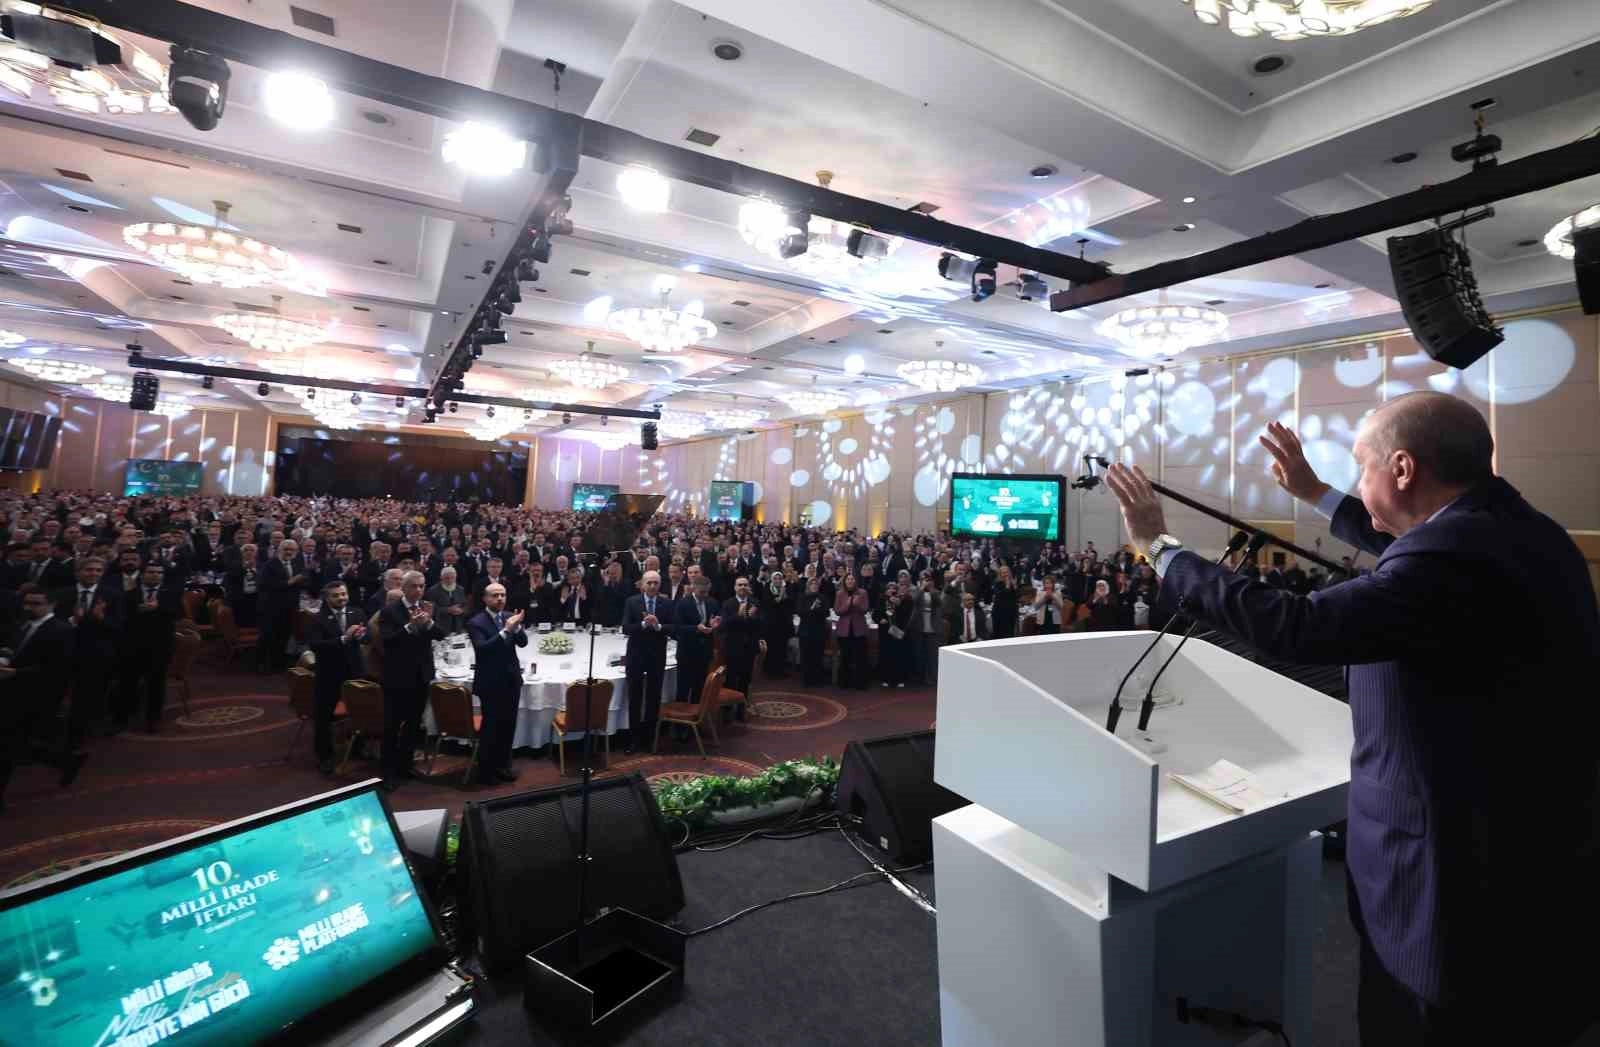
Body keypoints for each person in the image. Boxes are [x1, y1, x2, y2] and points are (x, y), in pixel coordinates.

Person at [1104, 395, 1600, 1046]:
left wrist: (1160, 548)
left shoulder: (1448, 560)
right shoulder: (1524, 531)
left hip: (1447, 889)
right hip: (1532, 861)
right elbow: (1408, 542)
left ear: (1403, 469)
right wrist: (1313, 492)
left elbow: (1296, 625)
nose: (1359, 481)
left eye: (1363, 466)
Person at [0, 585, 82, 809]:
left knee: (7, 747)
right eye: (27, 603)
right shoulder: (22, 623)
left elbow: (57, 669)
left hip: (37, 696)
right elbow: (11, 647)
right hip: (10, 692)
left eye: (36, 604)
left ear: (51, 605)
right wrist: (4, 659)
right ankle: (66, 761)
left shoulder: (62, 630)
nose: (29, 608)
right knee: (15, 745)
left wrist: (16, 672)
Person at [376, 571, 445, 791]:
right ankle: (388, 771)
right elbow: (387, 641)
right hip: (397, 676)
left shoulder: (427, 608)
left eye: (422, 586)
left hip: (421, 675)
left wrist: (429, 622)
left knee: (414, 724)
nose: (418, 590)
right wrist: (409, 626)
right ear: (404, 588)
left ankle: (405, 765)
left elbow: (441, 634)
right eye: (414, 586)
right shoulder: (389, 611)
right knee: (392, 725)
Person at [303, 581, 367, 774]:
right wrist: (343, 639)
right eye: (336, 595)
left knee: (359, 711)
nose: (341, 598)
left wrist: (361, 637)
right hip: (328, 674)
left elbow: (366, 638)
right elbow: (315, 645)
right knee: (323, 718)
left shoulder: (357, 613)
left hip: (354, 671)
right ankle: (324, 757)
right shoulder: (317, 619)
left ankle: (358, 748)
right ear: (327, 597)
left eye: (343, 594)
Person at [467, 582, 527, 785]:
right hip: (490, 682)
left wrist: (516, 628)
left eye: (503, 595)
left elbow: (523, 642)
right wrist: (506, 631)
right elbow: (483, 649)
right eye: (495, 595)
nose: (500, 598)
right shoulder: (476, 622)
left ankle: (504, 766)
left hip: (511, 679)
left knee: (508, 725)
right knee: (491, 727)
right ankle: (486, 771)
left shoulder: (509, 616)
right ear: (485, 599)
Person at [114, 561, 180, 732]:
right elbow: (121, 618)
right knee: (128, 682)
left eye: (159, 572)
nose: (155, 575)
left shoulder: (169, 594)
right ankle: (122, 719)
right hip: (133, 645)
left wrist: (159, 607)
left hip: (160, 646)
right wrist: (139, 610)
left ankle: (153, 719)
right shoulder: (129, 594)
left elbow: (177, 614)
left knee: (156, 684)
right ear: (143, 574)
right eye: (151, 572)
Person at [622, 570, 671, 752]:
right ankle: (633, 739)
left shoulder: (667, 603)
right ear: (642, 584)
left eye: (655, 583)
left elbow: (673, 627)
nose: (652, 586)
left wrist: (658, 626)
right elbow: (625, 628)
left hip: (657, 656)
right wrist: (643, 624)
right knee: (634, 697)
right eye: (649, 582)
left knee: (653, 698)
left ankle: (650, 738)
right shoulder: (631, 602)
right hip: (635, 655)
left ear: (660, 585)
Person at [719, 575, 762, 713]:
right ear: (735, 588)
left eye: (745, 585)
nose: (743, 587)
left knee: (745, 679)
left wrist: (754, 617)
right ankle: (727, 711)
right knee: (731, 679)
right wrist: (738, 615)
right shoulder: (728, 604)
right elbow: (724, 625)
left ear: (748, 587)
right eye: (740, 585)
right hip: (733, 648)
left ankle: (741, 710)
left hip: (749, 648)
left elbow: (762, 625)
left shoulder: (755, 603)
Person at [672, 573, 718, 703]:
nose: (704, 595)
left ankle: (696, 712)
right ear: (694, 588)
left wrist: (716, 623)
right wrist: (696, 628)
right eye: (702, 592)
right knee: (683, 689)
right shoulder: (683, 604)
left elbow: (717, 618)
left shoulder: (712, 602)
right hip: (687, 652)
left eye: (707, 592)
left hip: (705, 652)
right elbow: (677, 628)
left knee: (700, 687)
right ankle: (681, 715)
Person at [833, 572, 870, 689]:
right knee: (845, 657)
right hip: (844, 629)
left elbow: (865, 609)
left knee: (860, 657)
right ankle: (844, 682)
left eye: (852, 579)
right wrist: (847, 604)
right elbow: (837, 611)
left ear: (855, 581)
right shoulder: (840, 593)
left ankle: (860, 683)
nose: (850, 581)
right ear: (844, 581)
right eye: (848, 579)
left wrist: (857, 605)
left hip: (859, 628)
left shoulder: (863, 593)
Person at [797, 575, 831, 687]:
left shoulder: (823, 598)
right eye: (811, 583)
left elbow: (827, 613)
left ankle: (817, 679)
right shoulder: (802, 597)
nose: (814, 585)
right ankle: (806, 679)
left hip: (819, 630)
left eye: (816, 584)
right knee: (805, 655)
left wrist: (816, 610)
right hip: (805, 631)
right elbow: (800, 612)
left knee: (817, 655)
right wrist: (812, 608)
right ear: (808, 585)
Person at [877, 580, 913, 687]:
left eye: (894, 589)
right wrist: (880, 619)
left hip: (898, 631)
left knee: (899, 655)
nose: (892, 590)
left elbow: (906, 615)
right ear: (886, 590)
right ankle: (886, 678)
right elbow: (876, 614)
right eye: (889, 588)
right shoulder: (882, 600)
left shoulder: (903, 601)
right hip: (885, 631)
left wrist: (899, 604)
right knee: (886, 655)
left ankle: (899, 679)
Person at [425, 566, 469, 635]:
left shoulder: (460, 589)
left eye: (452, 578)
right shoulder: (433, 591)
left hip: (458, 626)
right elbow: (431, 609)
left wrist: (462, 610)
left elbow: (465, 605)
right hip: (441, 626)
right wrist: (448, 610)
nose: (450, 580)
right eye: (446, 578)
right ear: (441, 577)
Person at [989, 563, 1019, 639]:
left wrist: (1015, 587)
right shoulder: (997, 583)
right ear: (1000, 574)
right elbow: (1000, 595)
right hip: (1000, 612)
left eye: (1007, 572)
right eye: (1003, 573)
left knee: (1009, 633)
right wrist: (1007, 585)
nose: (1005, 574)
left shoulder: (1013, 583)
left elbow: (1016, 596)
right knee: (1000, 634)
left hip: (1011, 612)